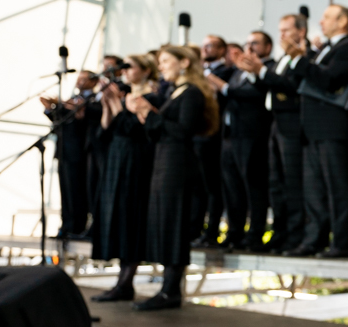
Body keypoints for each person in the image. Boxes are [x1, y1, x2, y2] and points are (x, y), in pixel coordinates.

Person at [126, 45, 218, 311]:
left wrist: (150, 113)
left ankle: (170, 290)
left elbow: (183, 131)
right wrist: (143, 113)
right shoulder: (175, 91)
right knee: (164, 222)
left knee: (173, 223)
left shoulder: (192, 93)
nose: (162, 66)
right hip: (165, 161)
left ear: (184, 63)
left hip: (178, 164)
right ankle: (167, 288)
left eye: (166, 61)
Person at [284, 5, 348, 258]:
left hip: (335, 128)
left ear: (342, 21)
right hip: (313, 128)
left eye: (327, 17)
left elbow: (331, 79)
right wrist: (299, 59)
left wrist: (300, 60)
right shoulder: (325, 49)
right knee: (314, 189)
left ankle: (341, 243)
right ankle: (314, 239)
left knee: (337, 188)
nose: (321, 22)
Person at [90, 54, 159, 301]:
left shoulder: (151, 96)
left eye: (130, 67)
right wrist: (109, 104)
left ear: (146, 70)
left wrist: (118, 104)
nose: (125, 71)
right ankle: (122, 281)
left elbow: (133, 128)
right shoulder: (125, 94)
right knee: (116, 216)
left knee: (131, 217)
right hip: (116, 156)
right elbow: (107, 129)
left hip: (135, 158)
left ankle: (126, 282)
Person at [239, 15, 305, 253]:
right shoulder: (282, 60)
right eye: (280, 30)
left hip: (292, 124)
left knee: (292, 183)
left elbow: (291, 86)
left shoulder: (303, 57)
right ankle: (280, 232)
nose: (282, 35)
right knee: (276, 183)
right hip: (275, 124)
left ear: (301, 32)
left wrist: (262, 71)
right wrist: (254, 73)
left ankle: (295, 235)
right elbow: (269, 88)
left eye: (287, 30)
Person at [208, 31, 274, 251]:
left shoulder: (269, 68)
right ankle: (234, 233)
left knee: (253, 187)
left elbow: (253, 94)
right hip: (230, 135)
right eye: (247, 43)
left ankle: (255, 234)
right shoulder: (238, 71)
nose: (249, 48)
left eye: (255, 43)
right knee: (231, 187)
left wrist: (223, 86)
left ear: (268, 47)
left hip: (252, 136)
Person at [41, 70, 99, 239]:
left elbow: (86, 119)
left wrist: (69, 106)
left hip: (80, 152)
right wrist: (50, 109)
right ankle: (66, 226)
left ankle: (77, 227)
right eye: (78, 79)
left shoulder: (93, 100)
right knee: (65, 191)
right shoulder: (73, 98)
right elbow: (62, 120)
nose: (79, 82)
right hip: (64, 150)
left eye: (84, 79)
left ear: (93, 82)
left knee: (77, 191)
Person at [192, 35, 233, 247]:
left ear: (222, 50)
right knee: (198, 187)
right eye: (203, 46)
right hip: (197, 135)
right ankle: (195, 230)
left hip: (216, 136)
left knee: (213, 187)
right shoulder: (198, 73)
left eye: (210, 46)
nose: (205, 49)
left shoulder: (228, 72)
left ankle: (212, 231)